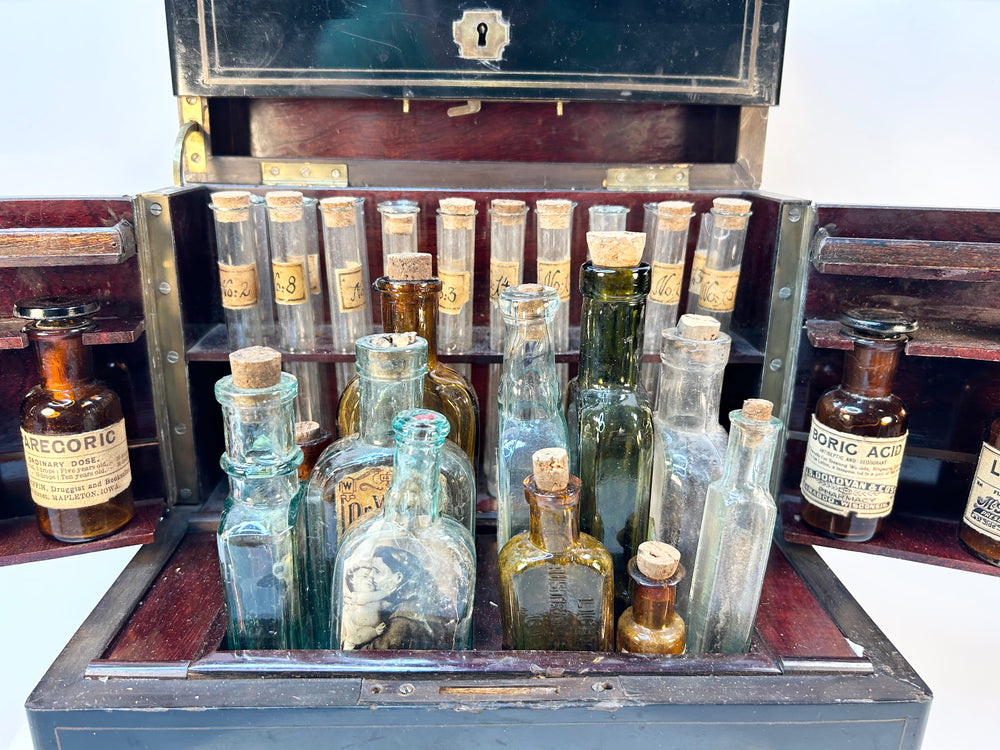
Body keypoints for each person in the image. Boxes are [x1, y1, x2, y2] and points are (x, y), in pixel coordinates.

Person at [362, 546, 458, 650]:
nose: (370, 576)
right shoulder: (422, 605)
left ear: (398, 577)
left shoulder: (400, 621)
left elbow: (373, 656)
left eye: (377, 571)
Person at [340, 564, 388, 650]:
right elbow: (370, 597)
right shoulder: (353, 597)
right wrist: (386, 592)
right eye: (365, 576)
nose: (370, 579)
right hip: (354, 636)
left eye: (372, 579)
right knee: (352, 641)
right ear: (352, 579)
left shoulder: (375, 601)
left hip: (368, 636)